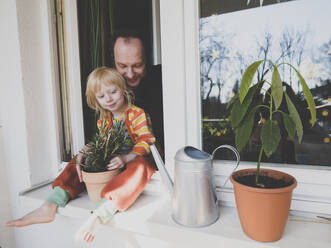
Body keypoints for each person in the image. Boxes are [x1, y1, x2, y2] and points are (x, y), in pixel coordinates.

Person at [7, 67, 157, 244]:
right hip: (115, 163)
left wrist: (126, 158)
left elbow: (147, 140)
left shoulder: (136, 114)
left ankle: (99, 215)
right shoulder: (105, 120)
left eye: (113, 92)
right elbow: (103, 144)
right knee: (79, 160)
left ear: (123, 90)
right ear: (96, 100)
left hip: (136, 159)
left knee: (139, 167)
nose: (108, 99)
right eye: (101, 96)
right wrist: (86, 152)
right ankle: (51, 203)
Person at [113, 30, 164, 151]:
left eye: (137, 65)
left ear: (147, 59)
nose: (130, 74)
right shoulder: (106, 89)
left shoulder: (165, 82)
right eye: (122, 66)